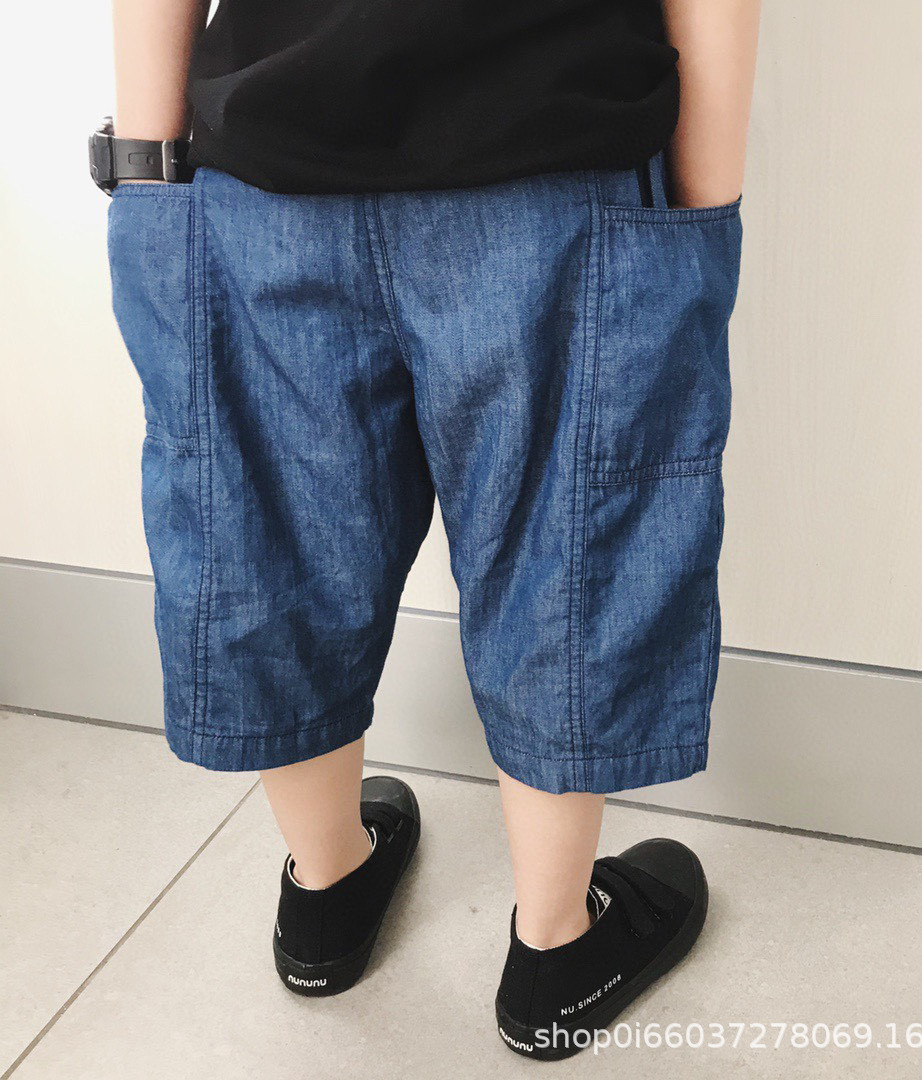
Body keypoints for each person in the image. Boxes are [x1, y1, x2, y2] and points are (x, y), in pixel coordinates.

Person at [101, 0, 759, 1060]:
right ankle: (555, 948)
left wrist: (146, 175)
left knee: (278, 536)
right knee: (566, 547)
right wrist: (703, 212)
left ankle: (325, 890)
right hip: (550, 156)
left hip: (267, 162)